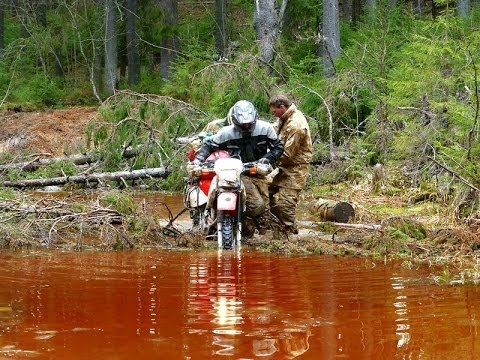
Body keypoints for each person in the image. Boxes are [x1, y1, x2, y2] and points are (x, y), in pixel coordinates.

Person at [193, 100, 284, 238]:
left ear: (255, 118)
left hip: (258, 170)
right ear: (235, 121)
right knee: (256, 204)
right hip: (236, 172)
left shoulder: (265, 128)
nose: (246, 126)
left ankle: (249, 235)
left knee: (263, 208)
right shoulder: (225, 132)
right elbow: (208, 146)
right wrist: (198, 160)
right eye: (242, 124)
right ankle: (221, 226)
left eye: (249, 123)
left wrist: (267, 159)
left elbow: (278, 147)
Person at [268, 94, 313, 234]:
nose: (273, 114)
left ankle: (290, 234)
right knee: (263, 190)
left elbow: (287, 154)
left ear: (282, 107)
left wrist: (266, 160)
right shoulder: (284, 118)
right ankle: (276, 223)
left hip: (295, 168)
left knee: (286, 204)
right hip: (283, 165)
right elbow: (272, 129)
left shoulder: (296, 125)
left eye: (274, 111)